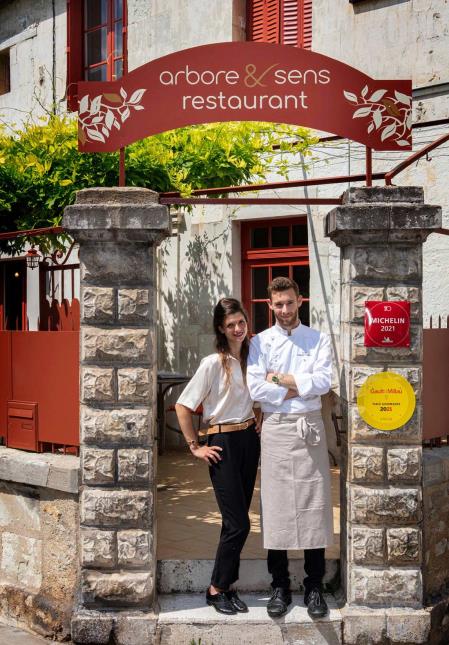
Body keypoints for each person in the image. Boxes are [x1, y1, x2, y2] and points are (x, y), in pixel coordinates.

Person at [246, 276, 333, 620]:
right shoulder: (260, 342)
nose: (284, 310)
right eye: (278, 304)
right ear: (270, 305)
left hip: (309, 428)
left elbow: (324, 383)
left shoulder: (318, 339)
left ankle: (315, 585)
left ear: (300, 300)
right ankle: (279, 585)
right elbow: (255, 388)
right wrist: (300, 385)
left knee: (316, 504)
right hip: (277, 430)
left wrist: (278, 379)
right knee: (277, 505)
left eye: (289, 302)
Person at [175, 297, 260, 615]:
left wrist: (259, 419)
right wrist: (195, 446)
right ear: (221, 329)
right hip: (221, 441)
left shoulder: (253, 358)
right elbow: (184, 405)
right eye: (231, 325)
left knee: (233, 521)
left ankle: (225, 585)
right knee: (239, 523)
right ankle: (215, 589)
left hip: (249, 440)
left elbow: (260, 395)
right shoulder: (213, 363)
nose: (238, 329)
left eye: (241, 322)